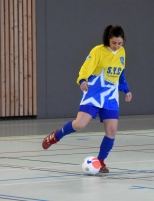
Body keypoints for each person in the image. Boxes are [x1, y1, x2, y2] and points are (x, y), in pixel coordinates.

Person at [42, 24, 132, 173]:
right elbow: (86, 67)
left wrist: (126, 89)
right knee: (79, 124)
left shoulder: (122, 52)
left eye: (120, 43)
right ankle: (55, 136)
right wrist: (82, 79)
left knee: (112, 131)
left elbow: (121, 74)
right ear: (108, 40)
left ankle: (101, 162)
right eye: (114, 43)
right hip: (94, 92)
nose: (116, 46)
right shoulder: (98, 51)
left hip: (110, 96)